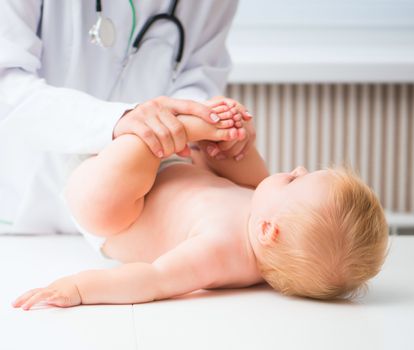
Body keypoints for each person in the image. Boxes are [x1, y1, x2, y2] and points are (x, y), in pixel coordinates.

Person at [12, 98, 389, 310]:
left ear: (268, 231)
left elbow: (154, 280)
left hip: (113, 214)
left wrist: (78, 290)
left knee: (128, 173)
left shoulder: (219, 252)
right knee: (233, 165)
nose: (298, 167)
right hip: (165, 169)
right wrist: (235, 145)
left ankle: (178, 130)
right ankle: (211, 131)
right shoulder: (265, 216)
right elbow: (250, 180)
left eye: (294, 179)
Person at [0, 0, 255, 236]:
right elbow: (6, 85)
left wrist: (213, 122)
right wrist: (118, 120)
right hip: (21, 211)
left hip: (129, 219)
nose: (297, 171)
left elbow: (198, 80)